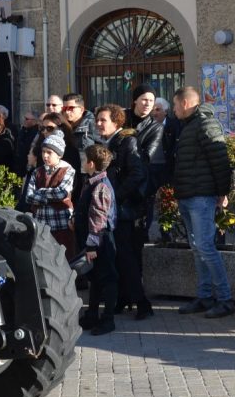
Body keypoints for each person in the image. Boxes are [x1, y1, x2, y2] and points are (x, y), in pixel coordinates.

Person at [171, 86, 234, 318]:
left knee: (206, 247)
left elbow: (220, 160)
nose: (174, 110)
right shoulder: (188, 126)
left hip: (202, 196)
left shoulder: (205, 124)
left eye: (176, 105)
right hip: (188, 195)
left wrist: (222, 192)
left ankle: (225, 300)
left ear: (186, 104)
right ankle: (205, 296)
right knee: (197, 248)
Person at [94, 104, 152, 319]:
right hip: (111, 209)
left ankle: (142, 303)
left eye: (103, 120)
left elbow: (137, 173)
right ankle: (123, 298)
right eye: (97, 120)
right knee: (115, 256)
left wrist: (115, 196)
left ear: (116, 122)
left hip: (125, 209)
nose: (99, 123)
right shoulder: (106, 142)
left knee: (127, 257)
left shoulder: (127, 141)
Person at [73, 144, 118, 335]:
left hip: (101, 240)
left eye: (85, 160)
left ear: (91, 163)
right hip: (94, 239)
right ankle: (92, 314)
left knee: (107, 278)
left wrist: (92, 245)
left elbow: (98, 218)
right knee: (95, 278)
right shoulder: (92, 182)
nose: (83, 163)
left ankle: (108, 319)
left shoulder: (100, 186)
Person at [24, 131, 76, 258]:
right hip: (41, 223)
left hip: (61, 223)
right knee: (43, 257)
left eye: (49, 152)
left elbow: (62, 193)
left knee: (63, 257)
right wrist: (48, 198)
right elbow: (29, 197)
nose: (45, 156)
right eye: (43, 152)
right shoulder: (37, 171)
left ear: (59, 155)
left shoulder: (68, 170)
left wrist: (40, 192)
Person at [13, 109, 40, 177]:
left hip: (28, 166)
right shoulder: (23, 130)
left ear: (35, 121)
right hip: (19, 165)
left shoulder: (36, 133)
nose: (24, 120)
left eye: (27, 119)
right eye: (24, 118)